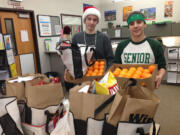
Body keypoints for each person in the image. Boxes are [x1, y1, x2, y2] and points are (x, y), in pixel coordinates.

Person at [64, 6, 114, 91]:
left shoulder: (104, 37)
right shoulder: (76, 37)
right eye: (89, 19)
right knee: (84, 101)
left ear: (97, 21)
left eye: (94, 20)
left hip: (100, 76)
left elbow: (110, 58)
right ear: (84, 20)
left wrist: (105, 73)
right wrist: (68, 69)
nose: (91, 22)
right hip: (82, 77)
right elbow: (72, 57)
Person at [114, 11, 166, 89]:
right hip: (125, 89)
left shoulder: (155, 45)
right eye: (131, 24)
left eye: (139, 22)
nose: (135, 26)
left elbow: (162, 66)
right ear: (128, 27)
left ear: (144, 24)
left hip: (146, 89)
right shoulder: (121, 46)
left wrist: (160, 76)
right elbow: (116, 67)